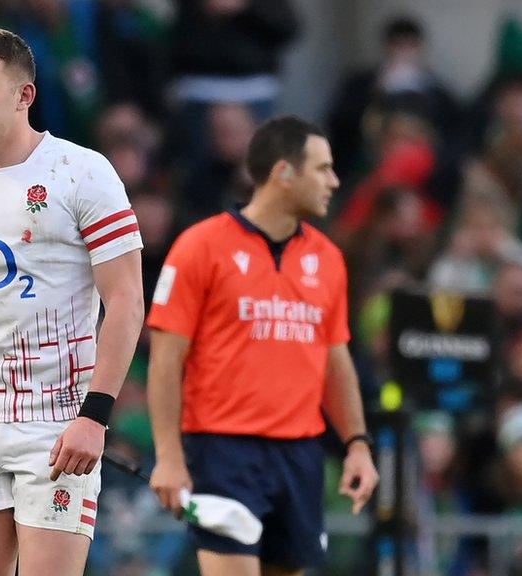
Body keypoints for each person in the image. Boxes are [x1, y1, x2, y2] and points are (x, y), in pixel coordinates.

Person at [0, 28, 144, 576]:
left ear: (24, 96)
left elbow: (126, 301)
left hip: (57, 421)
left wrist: (96, 415)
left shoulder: (82, 172)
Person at [146, 116, 379, 576]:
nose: (334, 181)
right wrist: (169, 458)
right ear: (284, 173)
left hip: (300, 454)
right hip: (222, 450)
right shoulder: (200, 246)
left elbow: (336, 360)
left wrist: (357, 444)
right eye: (322, 169)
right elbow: (165, 361)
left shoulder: (328, 259)